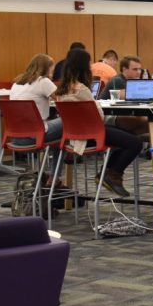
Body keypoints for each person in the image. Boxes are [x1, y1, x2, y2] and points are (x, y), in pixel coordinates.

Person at [52, 48, 143, 197]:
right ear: (84, 67)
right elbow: (99, 117)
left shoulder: (62, 90)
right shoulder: (81, 89)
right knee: (136, 143)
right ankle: (112, 175)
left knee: (128, 137)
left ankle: (108, 173)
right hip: (92, 135)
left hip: (75, 136)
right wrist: (98, 105)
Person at [9, 53, 62, 144]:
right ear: (46, 68)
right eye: (51, 70)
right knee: (69, 122)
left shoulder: (17, 83)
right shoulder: (42, 81)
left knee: (53, 121)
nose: (52, 73)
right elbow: (63, 99)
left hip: (15, 136)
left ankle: (54, 158)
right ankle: (62, 158)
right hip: (35, 135)